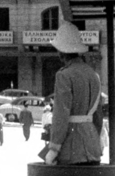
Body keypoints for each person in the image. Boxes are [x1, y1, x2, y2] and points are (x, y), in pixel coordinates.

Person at [41, 23, 103, 166]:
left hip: (71, 146)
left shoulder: (64, 75)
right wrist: (94, 139)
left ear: (61, 52)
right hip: (92, 144)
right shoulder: (93, 75)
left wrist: (54, 148)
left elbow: (61, 114)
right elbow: (98, 115)